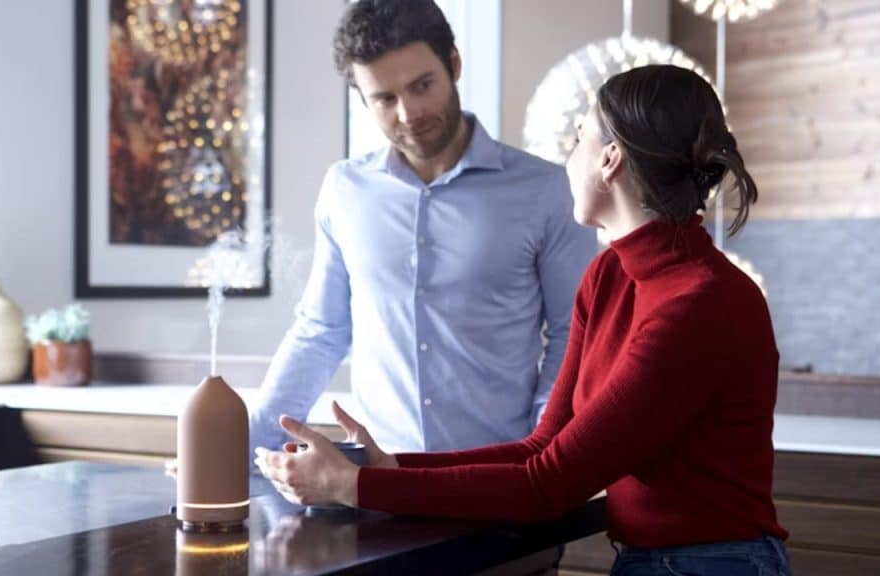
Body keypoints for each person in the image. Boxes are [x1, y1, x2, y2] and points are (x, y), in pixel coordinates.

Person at [256, 64, 794, 576]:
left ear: (609, 161)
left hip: (713, 564)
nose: (567, 161)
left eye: (577, 139)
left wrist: (352, 486)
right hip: (650, 560)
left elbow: (548, 484)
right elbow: (542, 447)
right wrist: (387, 469)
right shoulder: (609, 276)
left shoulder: (699, 304)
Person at [250, 0, 596, 456]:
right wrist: (243, 447)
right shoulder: (345, 190)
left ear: (453, 64)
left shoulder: (546, 190)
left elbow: (576, 333)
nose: (409, 113)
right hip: (378, 485)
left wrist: (542, 447)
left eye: (422, 86)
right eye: (385, 99)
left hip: (501, 480)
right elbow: (321, 331)